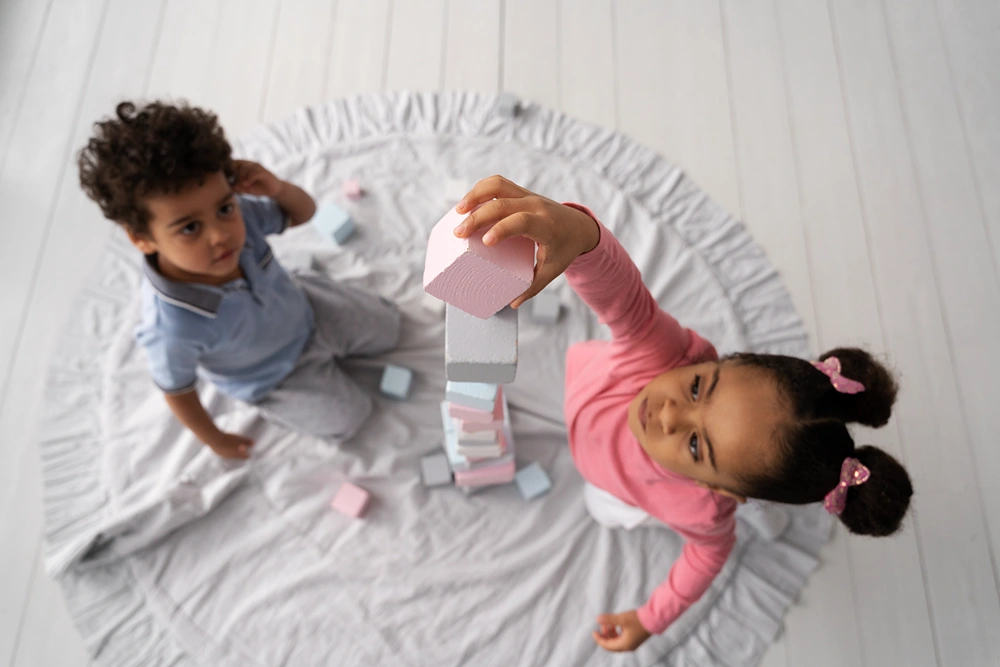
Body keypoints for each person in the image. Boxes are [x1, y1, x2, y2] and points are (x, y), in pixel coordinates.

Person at [453, 176, 914, 652]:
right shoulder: (662, 353)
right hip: (586, 393)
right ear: (709, 363)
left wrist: (650, 620)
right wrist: (581, 237)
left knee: (602, 507)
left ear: (715, 488)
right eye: (698, 388)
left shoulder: (702, 511)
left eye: (697, 445)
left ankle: (756, 512)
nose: (669, 414)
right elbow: (623, 294)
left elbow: (705, 558)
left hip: (615, 487)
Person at [78, 101, 400, 459]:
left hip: (308, 310)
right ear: (141, 238)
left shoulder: (241, 216)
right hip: (270, 376)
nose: (220, 235)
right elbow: (178, 390)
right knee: (351, 418)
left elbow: (303, 212)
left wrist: (276, 188)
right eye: (189, 228)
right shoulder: (169, 328)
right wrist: (215, 438)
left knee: (392, 326)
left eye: (224, 208)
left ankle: (313, 291)